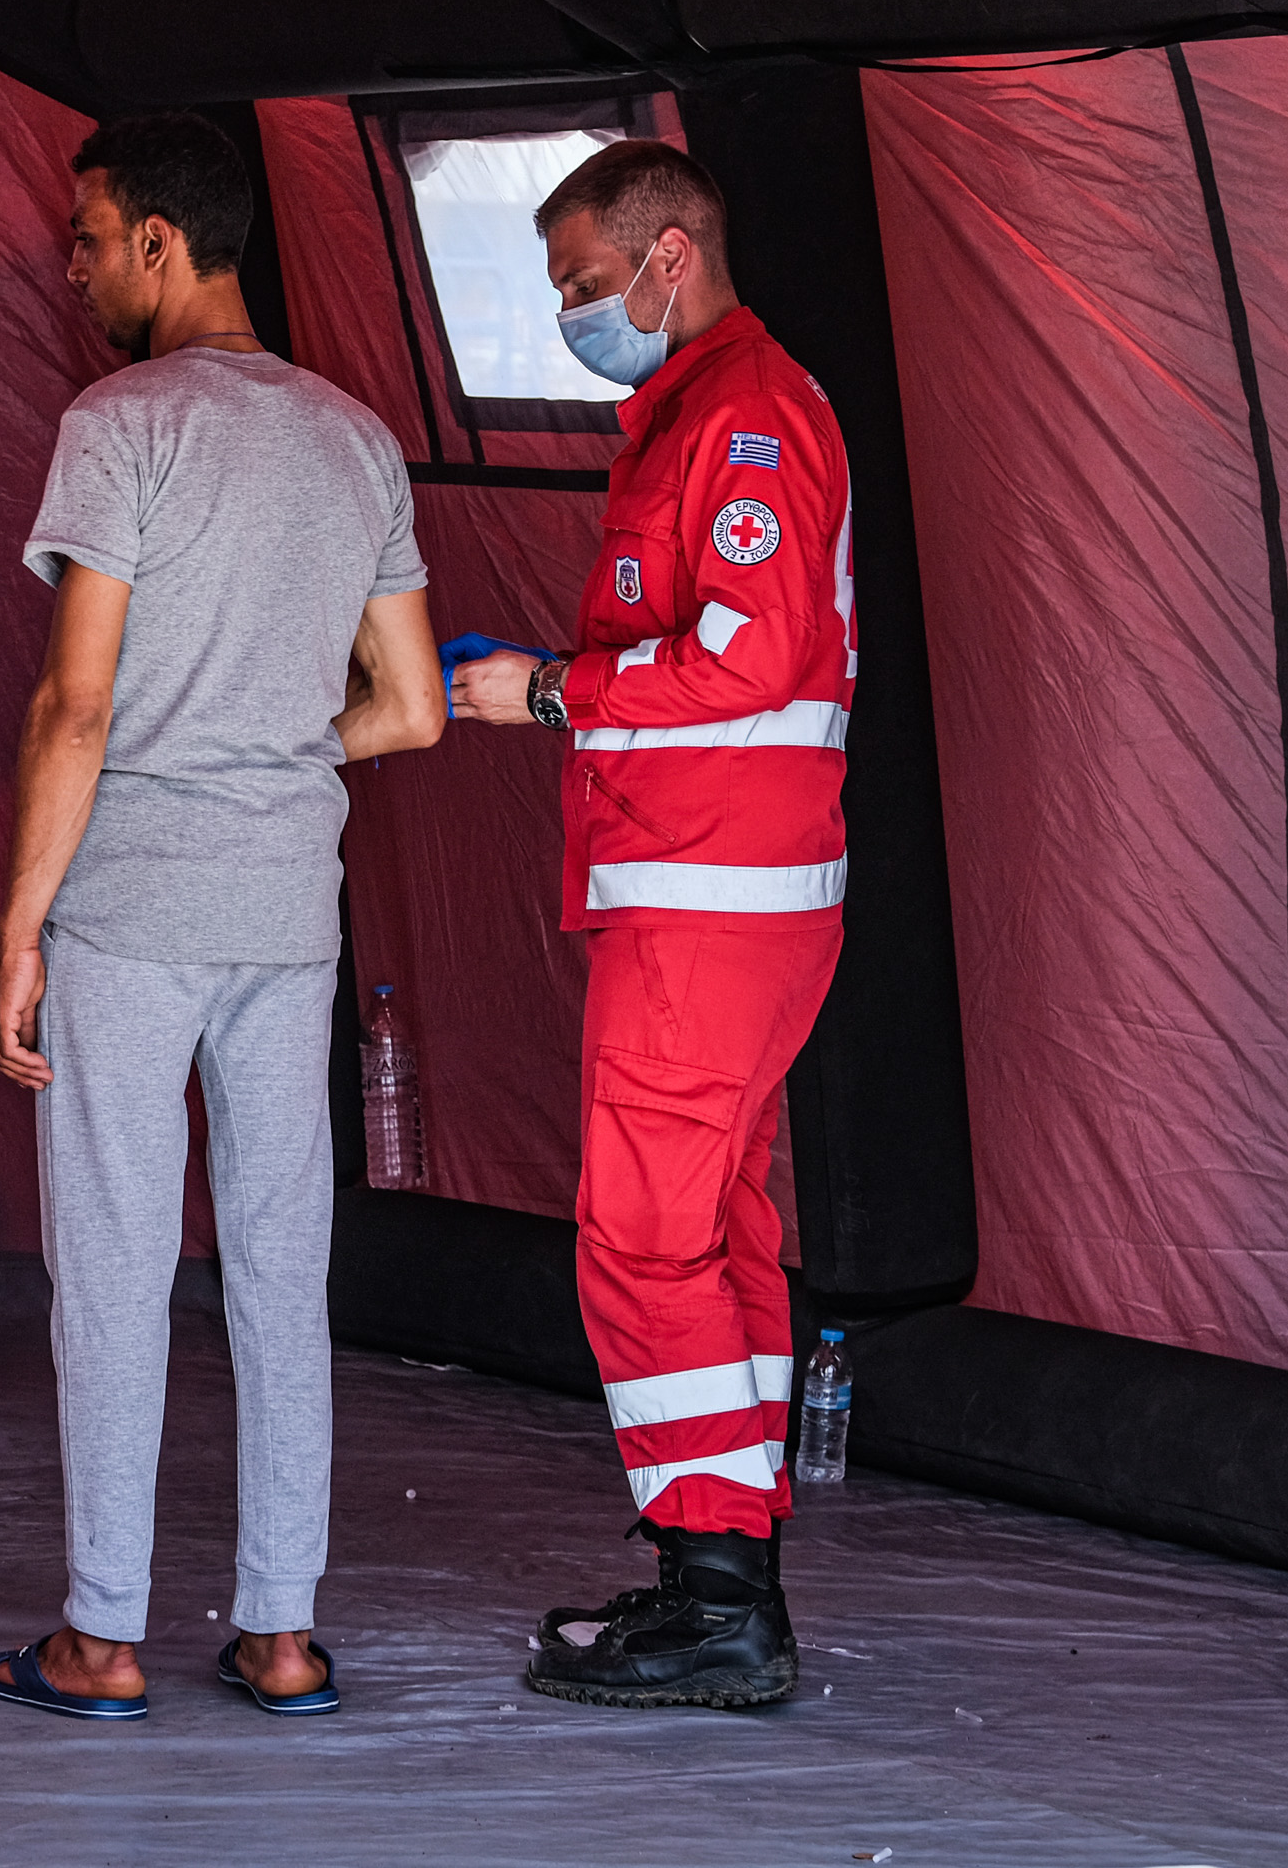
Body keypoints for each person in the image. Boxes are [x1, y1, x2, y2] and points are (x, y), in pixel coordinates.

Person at [0, 112, 445, 1723]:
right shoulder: (356, 437)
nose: (78, 260)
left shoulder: (121, 421)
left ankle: (104, 1633)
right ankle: (282, 1628)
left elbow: (76, 708)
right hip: (286, 911)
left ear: (164, 240)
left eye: (92, 235)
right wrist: (278, 740)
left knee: (111, 1264)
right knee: (278, 1269)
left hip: (132, 906)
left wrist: (21, 924)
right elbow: (415, 708)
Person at [450, 139, 854, 1709]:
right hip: (717, 896)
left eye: (581, 283)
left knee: (641, 1237)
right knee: (718, 1232)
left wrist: (553, 690)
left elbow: (748, 661)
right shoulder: (700, 416)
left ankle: (722, 1604)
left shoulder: (745, 419)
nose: (572, 311)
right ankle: (722, 1559)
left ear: (668, 255)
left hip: (711, 902)